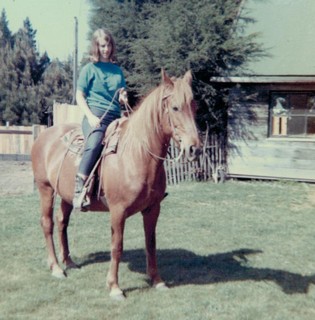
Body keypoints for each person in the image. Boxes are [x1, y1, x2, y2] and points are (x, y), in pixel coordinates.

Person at [73, 28, 128, 209]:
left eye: (108, 45)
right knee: (95, 142)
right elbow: (79, 96)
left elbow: (121, 92)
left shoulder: (117, 71)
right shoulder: (89, 69)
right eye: (102, 46)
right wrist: (90, 117)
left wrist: (123, 97)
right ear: (96, 47)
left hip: (115, 116)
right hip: (95, 115)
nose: (106, 49)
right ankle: (80, 186)